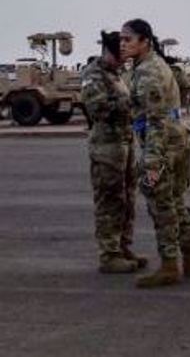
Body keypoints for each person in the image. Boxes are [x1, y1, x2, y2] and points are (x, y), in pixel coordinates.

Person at [120, 19, 190, 288]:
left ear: (145, 41)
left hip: (162, 145)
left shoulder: (148, 72)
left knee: (161, 204)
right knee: (177, 201)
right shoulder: (157, 65)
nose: (123, 44)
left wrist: (153, 159)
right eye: (121, 40)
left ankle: (169, 265)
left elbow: (155, 119)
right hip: (177, 139)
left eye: (128, 39)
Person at [79, 31, 146, 273]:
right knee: (110, 200)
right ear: (107, 52)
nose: (123, 61)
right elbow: (98, 109)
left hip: (124, 145)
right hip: (106, 149)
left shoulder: (117, 75)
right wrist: (131, 103)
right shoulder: (93, 74)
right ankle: (109, 254)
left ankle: (123, 247)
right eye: (120, 56)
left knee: (127, 199)